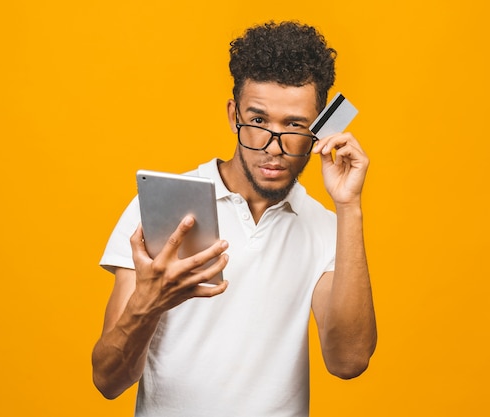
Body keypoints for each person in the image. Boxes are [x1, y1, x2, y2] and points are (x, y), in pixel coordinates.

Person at [92, 20, 377, 417]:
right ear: (233, 115)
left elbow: (348, 361)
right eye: (257, 121)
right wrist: (148, 303)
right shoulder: (157, 207)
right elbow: (107, 380)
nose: (272, 148)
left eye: (294, 125)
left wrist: (349, 206)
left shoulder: (327, 227)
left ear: (320, 130)